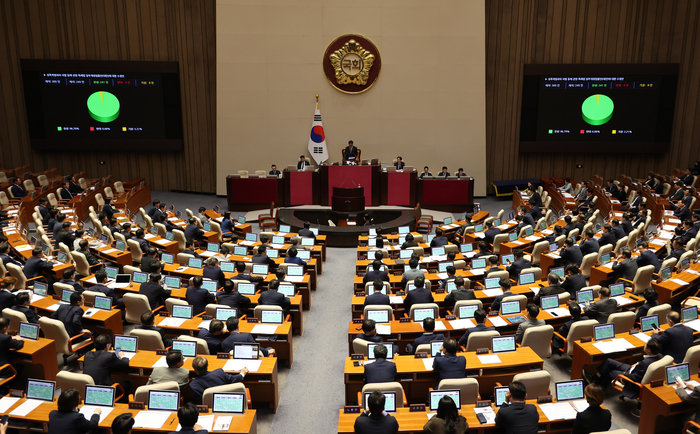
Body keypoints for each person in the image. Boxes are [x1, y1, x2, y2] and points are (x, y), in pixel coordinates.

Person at [585, 338, 662, 398]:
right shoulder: (659, 356)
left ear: (648, 350)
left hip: (631, 377)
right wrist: (638, 363)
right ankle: (594, 378)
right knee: (609, 361)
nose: (644, 345)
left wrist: (625, 375)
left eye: (646, 345)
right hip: (634, 369)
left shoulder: (644, 364)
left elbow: (636, 377)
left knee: (610, 372)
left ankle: (598, 390)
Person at [83, 334, 131, 399]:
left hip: (89, 391)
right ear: (107, 345)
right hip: (105, 392)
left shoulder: (87, 354)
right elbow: (125, 364)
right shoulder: (109, 356)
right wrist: (122, 356)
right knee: (127, 384)